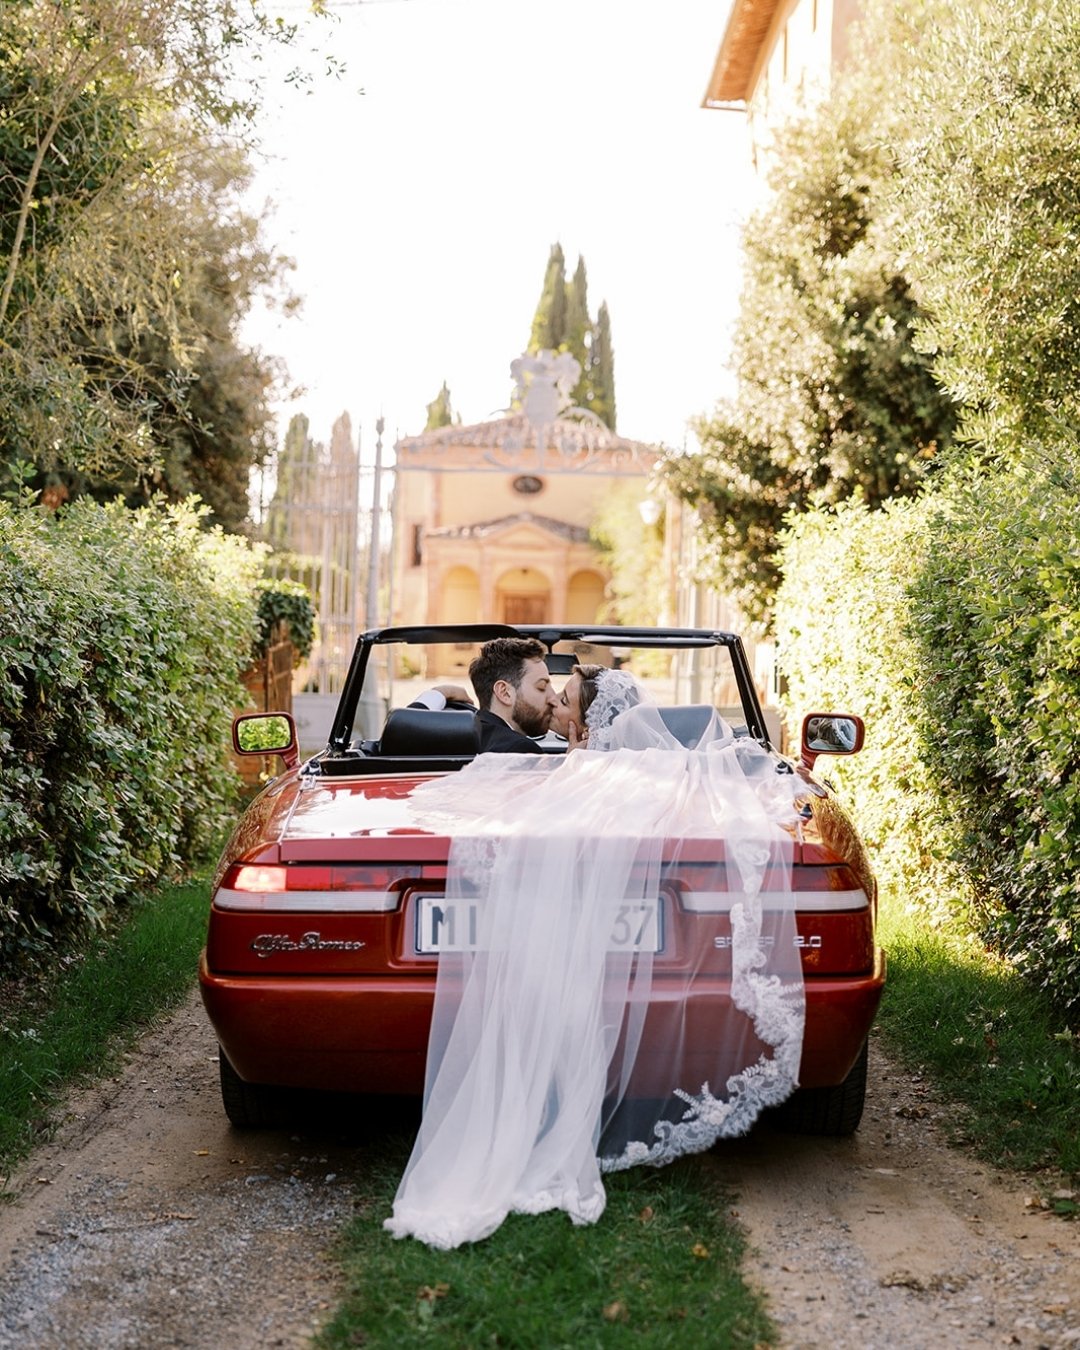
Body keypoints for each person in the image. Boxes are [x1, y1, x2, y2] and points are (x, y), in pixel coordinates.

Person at [385, 666, 808, 1251]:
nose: (556, 708)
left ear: (588, 721)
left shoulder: (573, 776)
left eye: (563, 700)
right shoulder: (619, 773)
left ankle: (539, 1118)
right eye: (551, 695)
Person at [409, 637, 558, 754]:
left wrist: (438, 693)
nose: (553, 698)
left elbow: (401, 728)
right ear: (504, 692)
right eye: (541, 687)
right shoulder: (520, 750)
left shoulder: (446, 738)